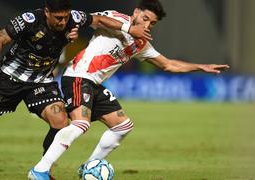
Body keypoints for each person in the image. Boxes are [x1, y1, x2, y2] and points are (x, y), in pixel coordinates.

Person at [0, 0, 150, 179]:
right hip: (10, 78)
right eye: (58, 17)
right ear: (47, 12)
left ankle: (42, 169)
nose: (62, 21)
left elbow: (99, 20)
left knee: (61, 122)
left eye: (65, 17)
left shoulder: (73, 19)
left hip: (41, 81)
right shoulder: (30, 20)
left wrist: (130, 30)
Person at [29, 0, 230, 179]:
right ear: (135, 13)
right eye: (145, 18)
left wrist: (200, 67)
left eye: (152, 23)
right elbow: (97, 20)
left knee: (123, 126)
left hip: (94, 84)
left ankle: (89, 166)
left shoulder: (141, 43)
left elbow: (168, 64)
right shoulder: (117, 19)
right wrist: (128, 28)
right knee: (81, 124)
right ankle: (40, 170)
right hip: (78, 76)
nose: (147, 24)